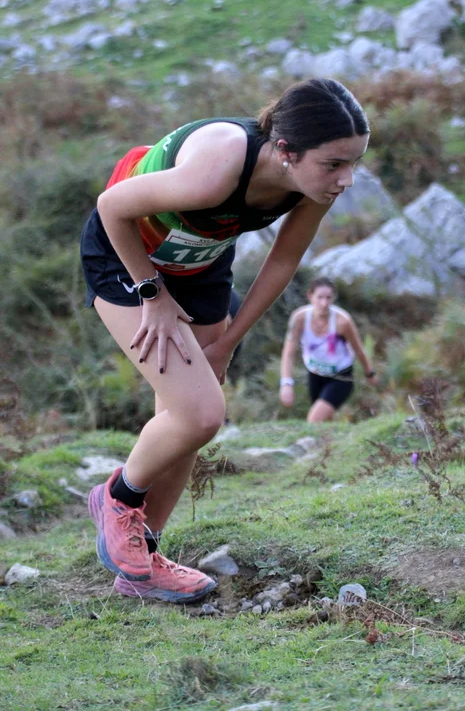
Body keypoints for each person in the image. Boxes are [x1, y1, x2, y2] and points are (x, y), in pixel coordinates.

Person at [80, 78, 370, 603]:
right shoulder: (218, 167)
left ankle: (143, 563)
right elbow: (110, 206)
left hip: (201, 264)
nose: (346, 179)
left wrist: (228, 341)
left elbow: (283, 260)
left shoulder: (313, 184)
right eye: (334, 164)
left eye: (354, 163)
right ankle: (117, 497)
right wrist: (151, 293)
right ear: (286, 150)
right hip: (127, 257)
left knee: (185, 421)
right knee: (200, 414)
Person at [279, 277, 378, 422]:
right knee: (325, 422)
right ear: (310, 296)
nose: (324, 303)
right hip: (315, 375)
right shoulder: (299, 319)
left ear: (334, 298)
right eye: (320, 297)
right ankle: (338, 437)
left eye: (328, 298)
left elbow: (358, 349)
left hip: (340, 377)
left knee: (314, 419)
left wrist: (370, 374)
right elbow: (288, 353)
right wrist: (286, 383)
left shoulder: (342, 321)